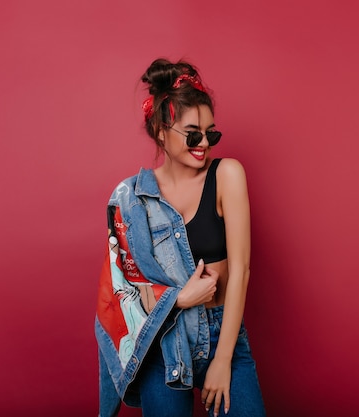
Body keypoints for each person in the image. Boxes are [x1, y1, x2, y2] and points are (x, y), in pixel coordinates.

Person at [95, 58, 266, 417]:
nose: (204, 143)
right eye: (193, 133)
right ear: (161, 130)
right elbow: (123, 291)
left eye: (211, 133)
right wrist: (180, 298)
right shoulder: (133, 199)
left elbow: (242, 270)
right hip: (165, 343)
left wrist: (222, 360)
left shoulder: (227, 175)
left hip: (222, 334)